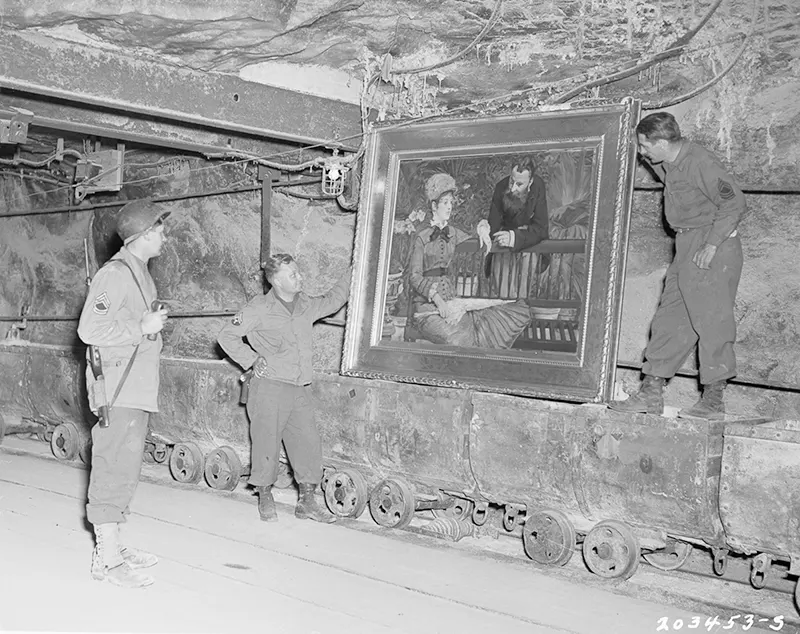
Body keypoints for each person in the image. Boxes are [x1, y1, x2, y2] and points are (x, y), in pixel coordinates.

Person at [608, 112, 745, 419]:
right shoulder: (669, 162)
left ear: (662, 142)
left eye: (644, 147)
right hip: (686, 246)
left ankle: (713, 401)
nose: (641, 153)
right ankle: (651, 393)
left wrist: (712, 244)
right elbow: (667, 174)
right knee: (670, 318)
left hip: (711, 245)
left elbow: (734, 202)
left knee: (712, 321)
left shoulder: (701, 162)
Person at [77, 199, 171, 588]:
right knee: (114, 466)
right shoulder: (115, 275)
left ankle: (112, 544)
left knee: (126, 467)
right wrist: (141, 326)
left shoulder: (140, 273)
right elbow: (89, 330)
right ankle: (108, 560)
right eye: (160, 229)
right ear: (143, 235)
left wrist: (144, 323)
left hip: (136, 386)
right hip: (118, 388)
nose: (165, 235)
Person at [217, 254, 350, 523]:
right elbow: (226, 336)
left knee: (308, 443)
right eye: (293, 275)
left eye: (299, 273)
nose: (300, 277)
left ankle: (307, 502)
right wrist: (252, 359)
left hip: (299, 386)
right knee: (267, 442)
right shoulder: (260, 307)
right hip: (269, 387)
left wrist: (356, 268)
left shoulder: (305, 305)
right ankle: (265, 497)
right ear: (277, 281)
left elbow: (335, 299)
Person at [408, 173, 531, 348]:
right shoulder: (422, 237)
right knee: (460, 339)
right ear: (434, 206)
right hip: (427, 309)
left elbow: (474, 231)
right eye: (445, 203)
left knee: (484, 327)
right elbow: (414, 276)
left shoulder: (453, 232)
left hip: (452, 303)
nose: (450, 207)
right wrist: (436, 298)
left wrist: (482, 228)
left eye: (451, 202)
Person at [485, 157, 550, 299]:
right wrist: (484, 228)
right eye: (511, 181)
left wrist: (514, 237)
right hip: (502, 246)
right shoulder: (501, 187)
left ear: (530, 182)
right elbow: (493, 225)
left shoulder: (538, 186)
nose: (513, 188)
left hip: (528, 245)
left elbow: (540, 228)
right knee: (502, 296)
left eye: (519, 184)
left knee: (521, 296)